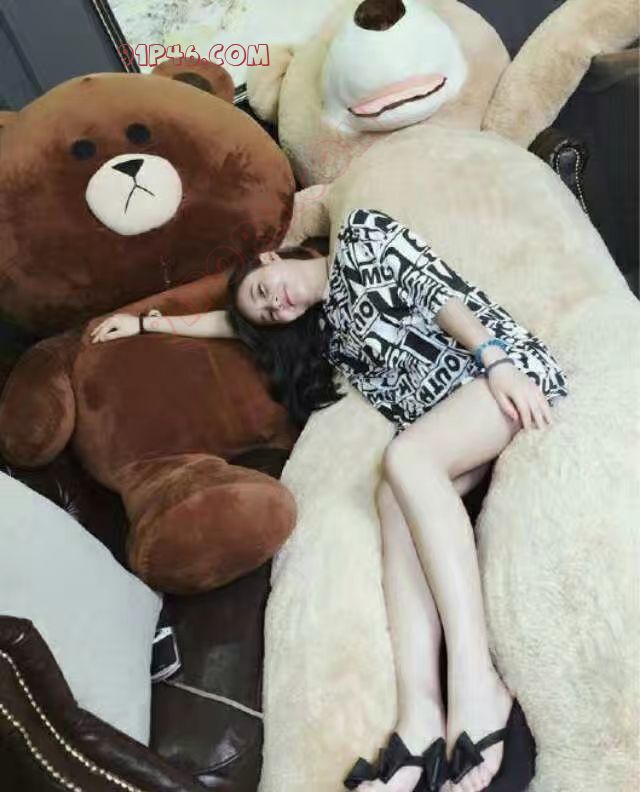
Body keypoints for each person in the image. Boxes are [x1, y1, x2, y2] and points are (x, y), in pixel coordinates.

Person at [91, 207, 568, 792]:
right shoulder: (330, 331)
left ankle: (477, 681)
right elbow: (229, 322)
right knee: (392, 498)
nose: (278, 304)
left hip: (496, 381)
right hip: (450, 424)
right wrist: (147, 325)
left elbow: (436, 291)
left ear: (272, 257)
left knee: (404, 460)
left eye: (266, 289)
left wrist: (496, 362)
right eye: (269, 312)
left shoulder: (360, 235)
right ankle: (419, 717)